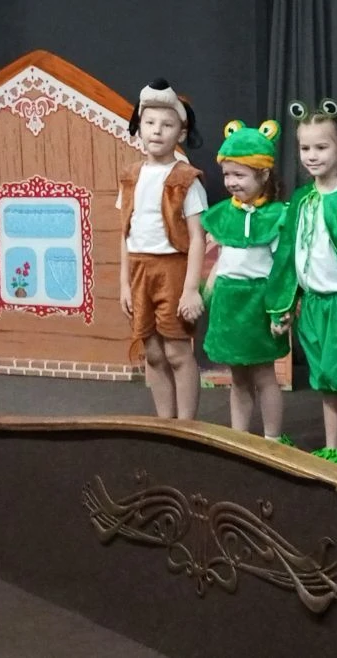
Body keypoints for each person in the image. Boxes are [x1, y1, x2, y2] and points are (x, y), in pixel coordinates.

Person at [267, 99, 337, 470]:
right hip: (311, 304)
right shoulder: (301, 199)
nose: (311, 155)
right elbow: (288, 255)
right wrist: (283, 305)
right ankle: (331, 448)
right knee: (325, 379)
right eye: (305, 148)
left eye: (321, 147)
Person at [118, 79, 208, 420]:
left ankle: (187, 426)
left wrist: (190, 289)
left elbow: (198, 238)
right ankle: (164, 424)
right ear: (139, 127)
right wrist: (124, 283)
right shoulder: (130, 176)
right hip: (139, 270)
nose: (157, 131)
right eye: (150, 123)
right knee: (153, 353)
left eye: (167, 125)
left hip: (172, 271)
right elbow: (125, 233)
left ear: (181, 133)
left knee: (177, 352)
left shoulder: (186, 179)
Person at [201, 118, 291, 440]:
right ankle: (239, 439)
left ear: (263, 174)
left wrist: (280, 310)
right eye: (227, 174)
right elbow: (223, 258)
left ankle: (272, 439)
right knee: (237, 377)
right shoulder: (225, 213)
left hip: (258, 302)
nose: (231, 182)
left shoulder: (277, 215)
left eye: (239, 175)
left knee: (264, 374)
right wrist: (208, 290)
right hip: (229, 303)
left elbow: (282, 268)